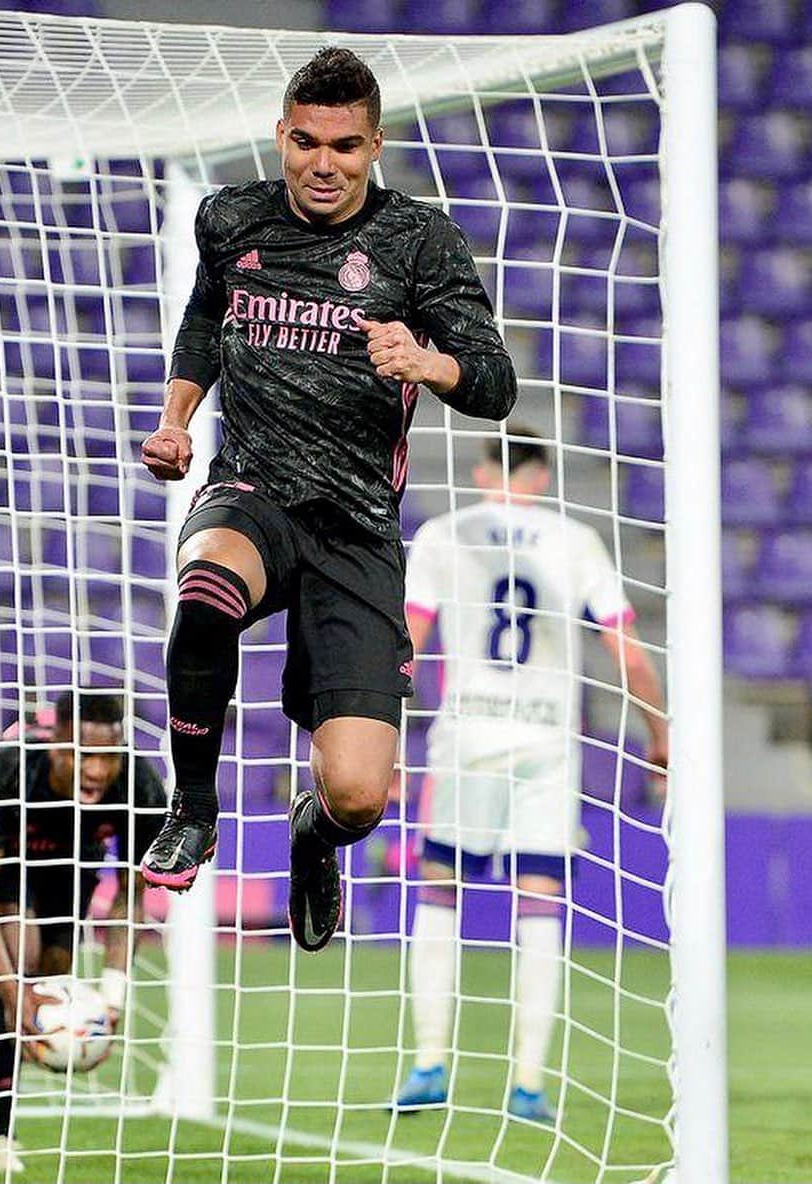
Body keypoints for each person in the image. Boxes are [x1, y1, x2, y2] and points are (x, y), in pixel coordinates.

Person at [137, 47, 516, 956]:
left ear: (374, 146)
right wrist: (177, 418)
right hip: (254, 490)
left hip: (355, 529)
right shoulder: (230, 220)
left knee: (357, 795)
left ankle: (315, 835)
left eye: (345, 147)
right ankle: (193, 807)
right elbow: (203, 323)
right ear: (281, 134)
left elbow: (496, 383)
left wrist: (432, 364)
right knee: (203, 590)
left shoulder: (418, 241)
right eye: (305, 141)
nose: (323, 163)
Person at [393, 425, 668, 1122]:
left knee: (438, 891)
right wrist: (659, 733)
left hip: (466, 735)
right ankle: (528, 1084)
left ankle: (428, 1065)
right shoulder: (573, 541)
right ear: (541, 477)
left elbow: (406, 643)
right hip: (547, 739)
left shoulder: (441, 534)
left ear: (485, 473)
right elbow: (625, 651)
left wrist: (387, 739)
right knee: (540, 902)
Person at [0, 692, 166, 1174]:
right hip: (11, 864)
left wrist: (113, 1000)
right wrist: (14, 991)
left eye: (106, 756)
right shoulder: (5, 775)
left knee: (50, 983)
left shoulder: (141, 788)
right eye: (80, 754)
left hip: (72, 872)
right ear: (56, 743)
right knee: (25, 968)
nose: (95, 770)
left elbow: (128, 899)